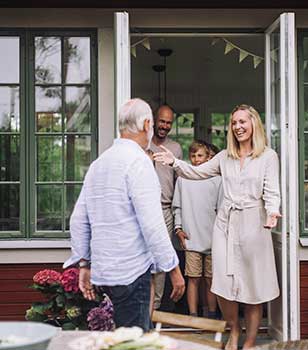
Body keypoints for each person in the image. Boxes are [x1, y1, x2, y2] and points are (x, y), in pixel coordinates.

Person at [154, 104, 281, 350]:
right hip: (225, 224)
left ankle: (250, 342)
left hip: (255, 224)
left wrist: (272, 211)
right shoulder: (225, 156)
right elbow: (196, 173)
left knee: (253, 286)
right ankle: (234, 331)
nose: (237, 127)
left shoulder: (268, 156)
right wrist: (174, 163)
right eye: (234, 123)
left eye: (242, 122)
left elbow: (272, 191)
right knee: (222, 284)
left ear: (254, 123)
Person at [63, 98, 185, 332]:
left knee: (118, 338)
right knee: (134, 341)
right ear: (147, 124)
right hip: (131, 273)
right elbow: (152, 224)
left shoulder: (99, 163)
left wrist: (85, 264)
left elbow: (78, 220)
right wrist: (174, 269)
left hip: (104, 273)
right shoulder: (139, 162)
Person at [172, 140, 222, 319]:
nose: (196, 159)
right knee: (193, 279)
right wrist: (178, 229)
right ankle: (193, 315)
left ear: (209, 157)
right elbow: (177, 207)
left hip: (213, 238)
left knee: (211, 279)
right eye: (193, 155)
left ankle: (211, 314)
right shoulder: (183, 180)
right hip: (191, 237)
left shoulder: (217, 180)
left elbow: (222, 209)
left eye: (200, 155)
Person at [149, 105, 183, 311]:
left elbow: (180, 181)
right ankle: (145, 306)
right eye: (162, 121)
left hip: (165, 209)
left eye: (169, 122)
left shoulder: (176, 148)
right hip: (144, 209)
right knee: (144, 256)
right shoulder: (143, 144)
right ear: (154, 120)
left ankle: (157, 307)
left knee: (162, 258)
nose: (165, 126)